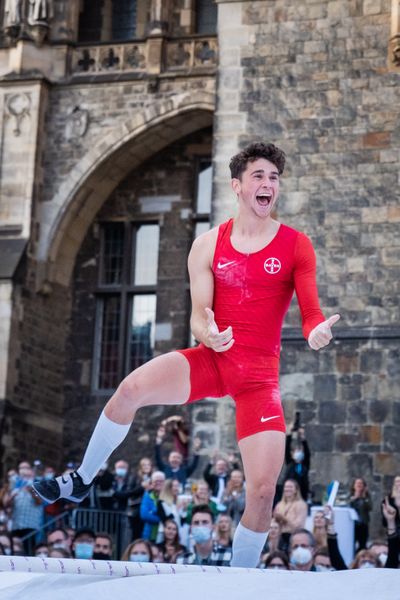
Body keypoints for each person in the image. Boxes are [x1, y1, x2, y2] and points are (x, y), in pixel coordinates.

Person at [32, 142, 339, 568]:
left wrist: (317, 332)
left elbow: (311, 314)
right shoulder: (208, 245)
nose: (268, 184)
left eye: (274, 178)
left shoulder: (295, 245)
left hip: (257, 379)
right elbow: (199, 316)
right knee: (129, 389)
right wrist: (207, 333)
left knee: (264, 489)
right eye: (259, 177)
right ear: (237, 186)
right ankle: (82, 478)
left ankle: (239, 581)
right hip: (212, 360)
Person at [273, 479, 308, 549]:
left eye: (290, 487)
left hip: (293, 537)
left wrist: (284, 519)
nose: (287, 489)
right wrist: (276, 519)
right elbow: (273, 523)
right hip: (279, 538)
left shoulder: (301, 504)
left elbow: (299, 526)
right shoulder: (279, 505)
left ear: (296, 490)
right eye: (286, 487)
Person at [284, 424, 310, 501]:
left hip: (302, 495)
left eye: (300, 450)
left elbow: (307, 453)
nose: (298, 452)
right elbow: (287, 449)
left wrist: (303, 437)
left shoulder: (304, 465)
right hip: (290, 495)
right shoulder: (290, 463)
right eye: (296, 450)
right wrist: (289, 434)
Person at [140, 471, 165, 542]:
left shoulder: (167, 496)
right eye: (156, 481)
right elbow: (144, 515)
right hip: (149, 535)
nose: (158, 483)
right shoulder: (147, 495)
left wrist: (153, 512)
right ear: (152, 483)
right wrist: (161, 520)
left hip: (164, 535)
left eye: (161, 481)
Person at [349, 477, 372, 550]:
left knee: (363, 544)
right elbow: (346, 506)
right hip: (352, 524)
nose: (359, 485)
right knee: (351, 543)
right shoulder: (349, 496)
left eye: (361, 483)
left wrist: (364, 497)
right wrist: (354, 498)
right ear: (353, 486)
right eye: (357, 483)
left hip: (363, 523)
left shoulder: (367, 497)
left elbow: (370, 508)